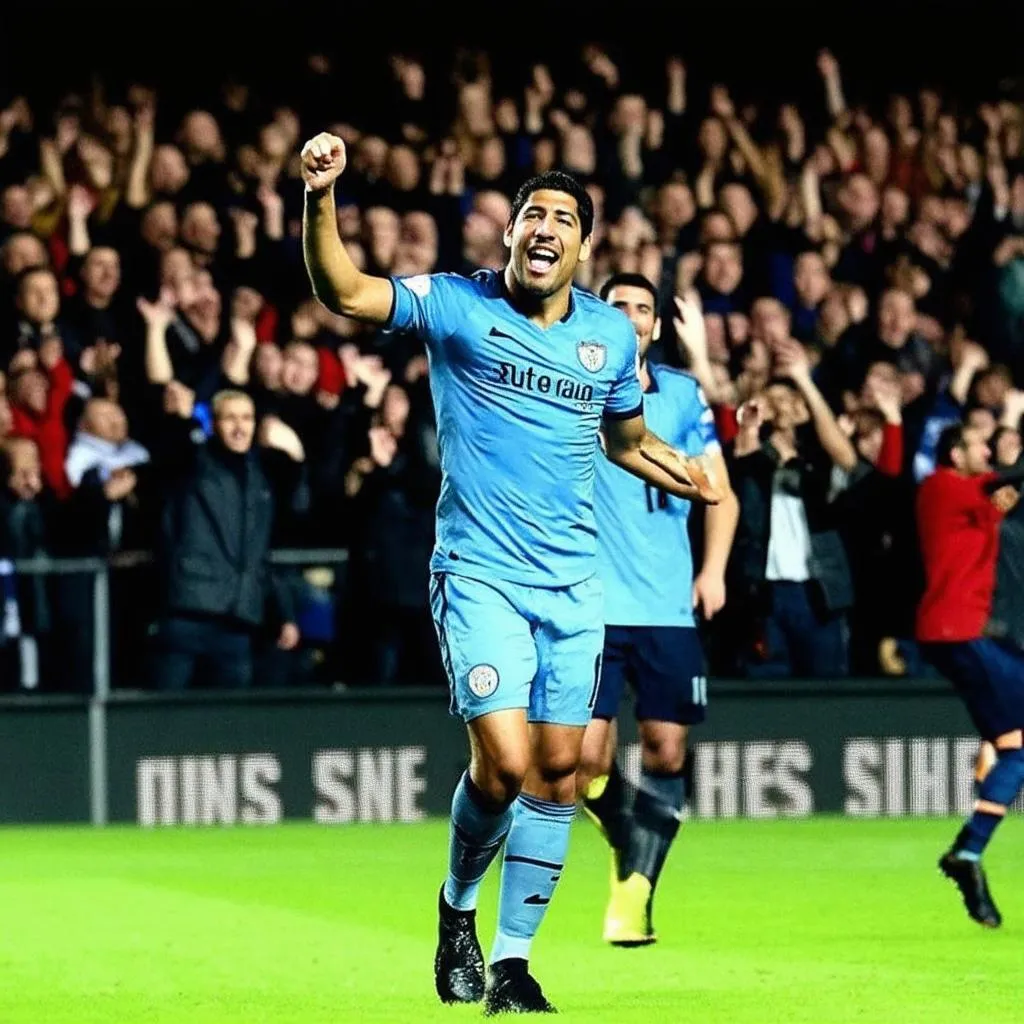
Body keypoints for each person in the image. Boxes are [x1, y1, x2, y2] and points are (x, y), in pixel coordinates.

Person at [300, 132, 724, 1015]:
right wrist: (319, 197)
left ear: (583, 247)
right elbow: (342, 290)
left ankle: (513, 963)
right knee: (503, 761)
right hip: (481, 572)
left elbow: (623, 439)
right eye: (534, 212)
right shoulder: (457, 305)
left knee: (561, 771)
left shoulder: (608, 334)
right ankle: (456, 910)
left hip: (575, 586)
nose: (547, 227)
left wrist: (679, 468)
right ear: (511, 234)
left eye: (565, 218)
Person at [575, 276, 738, 946]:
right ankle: (631, 849)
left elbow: (720, 491)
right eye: (619, 306)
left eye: (643, 308)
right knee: (585, 762)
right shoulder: (574, 387)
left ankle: (636, 886)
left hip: (667, 603)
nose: (633, 317)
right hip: (591, 601)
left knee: (668, 752)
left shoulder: (682, 395)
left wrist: (714, 570)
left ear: (656, 327)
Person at [916, 423, 1024, 928]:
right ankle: (969, 848)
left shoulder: (970, 495)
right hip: (956, 631)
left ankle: (970, 852)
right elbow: (995, 490)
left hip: (965, 634)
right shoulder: (940, 485)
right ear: (955, 453)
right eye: (978, 443)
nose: (986, 451)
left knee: (1014, 746)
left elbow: (998, 496)